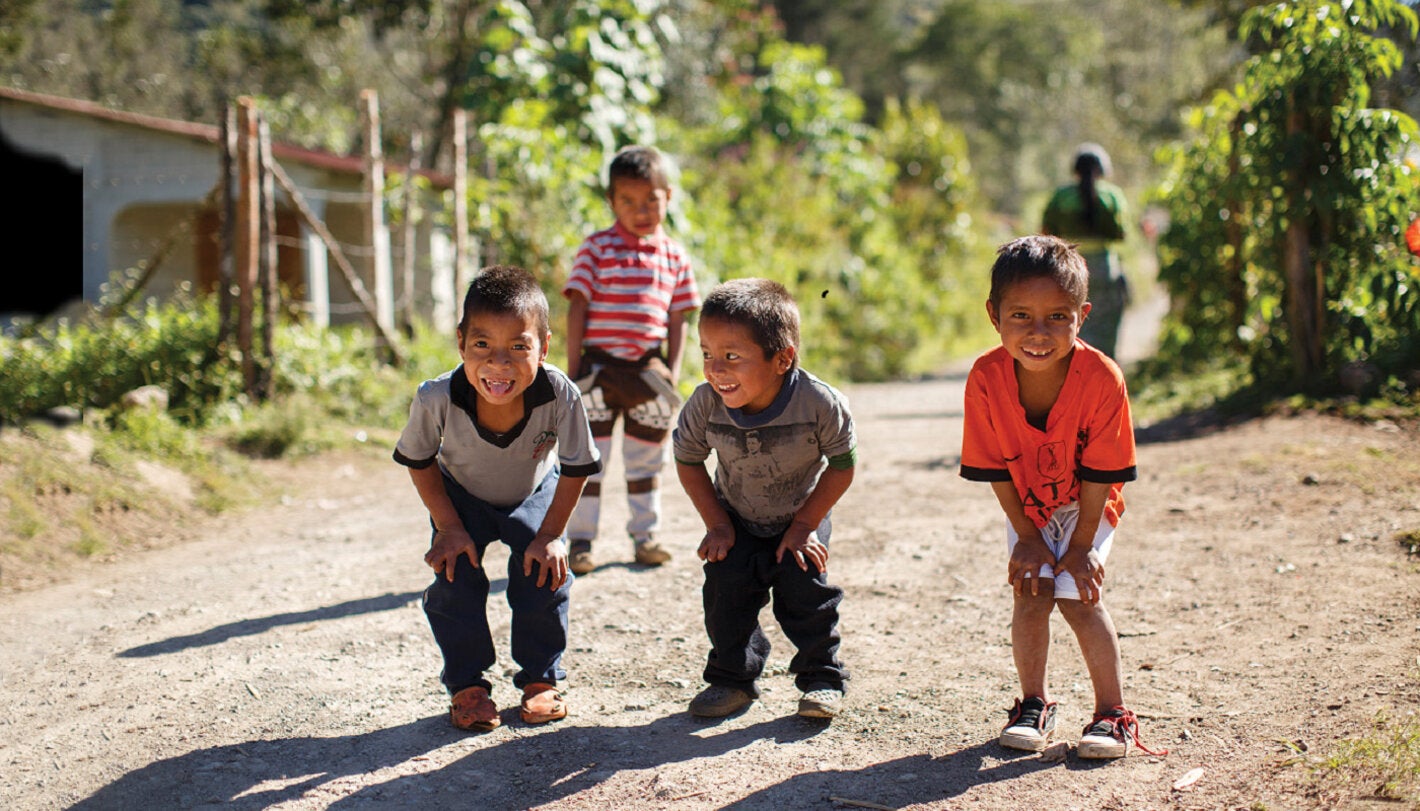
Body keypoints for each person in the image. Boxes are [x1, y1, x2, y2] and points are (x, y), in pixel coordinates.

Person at [959, 236, 1165, 759]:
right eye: (1021, 316)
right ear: (994, 315)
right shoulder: (985, 377)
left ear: (1082, 316)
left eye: (1057, 317)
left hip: (1087, 504)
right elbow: (994, 467)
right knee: (1031, 593)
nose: (1038, 332)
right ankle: (1034, 704)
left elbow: (1101, 473)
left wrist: (1082, 545)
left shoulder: (1102, 378)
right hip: (1026, 505)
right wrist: (1027, 536)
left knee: (1078, 597)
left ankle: (1113, 714)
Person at [394, 265, 602, 732]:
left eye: (519, 347)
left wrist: (551, 535)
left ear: (544, 347)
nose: (499, 364)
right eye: (482, 345)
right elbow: (420, 460)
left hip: (534, 492)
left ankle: (541, 678)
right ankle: (467, 685)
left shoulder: (560, 394)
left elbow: (575, 468)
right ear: (461, 343)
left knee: (544, 573)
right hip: (460, 499)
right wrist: (449, 527)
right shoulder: (436, 397)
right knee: (455, 578)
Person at [672, 278, 856, 720]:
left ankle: (822, 678)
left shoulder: (819, 403)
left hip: (801, 514)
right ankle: (732, 680)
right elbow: (688, 460)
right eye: (707, 354)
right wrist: (717, 524)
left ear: (782, 359)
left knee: (805, 592)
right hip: (735, 515)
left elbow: (842, 465)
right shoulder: (705, 404)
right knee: (726, 592)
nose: (715, 369)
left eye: (732, 357)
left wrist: (804, 526)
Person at [562, 144, 701, 575]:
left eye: (650, 201)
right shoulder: (596, 248)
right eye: (628, 201)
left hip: (649, 374)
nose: (641, 211)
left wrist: (672, 373)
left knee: (647, 461)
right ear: (611, 201)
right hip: (597, 372)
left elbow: (679, 318)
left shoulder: (674, 256)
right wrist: (573, 371)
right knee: (588, 460)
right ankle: (580, 542)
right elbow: (577, 307)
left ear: (668, 197)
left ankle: (646, 537)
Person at [1041, 143, 1130, 359]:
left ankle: (1073, 369)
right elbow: (1121, 233)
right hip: (1105, 268)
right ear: (1103, 169)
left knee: (1071, 320)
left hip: (1066, 268)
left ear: (1075, 169)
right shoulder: (1112, 196)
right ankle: (1104, 368)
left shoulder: (1061, 197)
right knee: (1106, 323)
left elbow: (1045, 233)